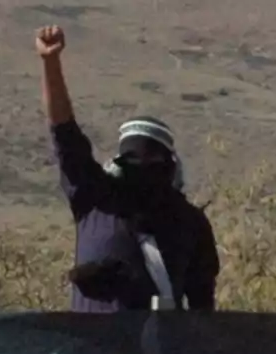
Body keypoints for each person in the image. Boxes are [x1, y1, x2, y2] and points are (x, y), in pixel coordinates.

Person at [35, 25, 220, 312]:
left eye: (151, 166)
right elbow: (64, 132)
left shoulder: (189, 224)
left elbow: (202, 310)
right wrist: (50, 62)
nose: (144, 174)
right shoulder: (95, 197)